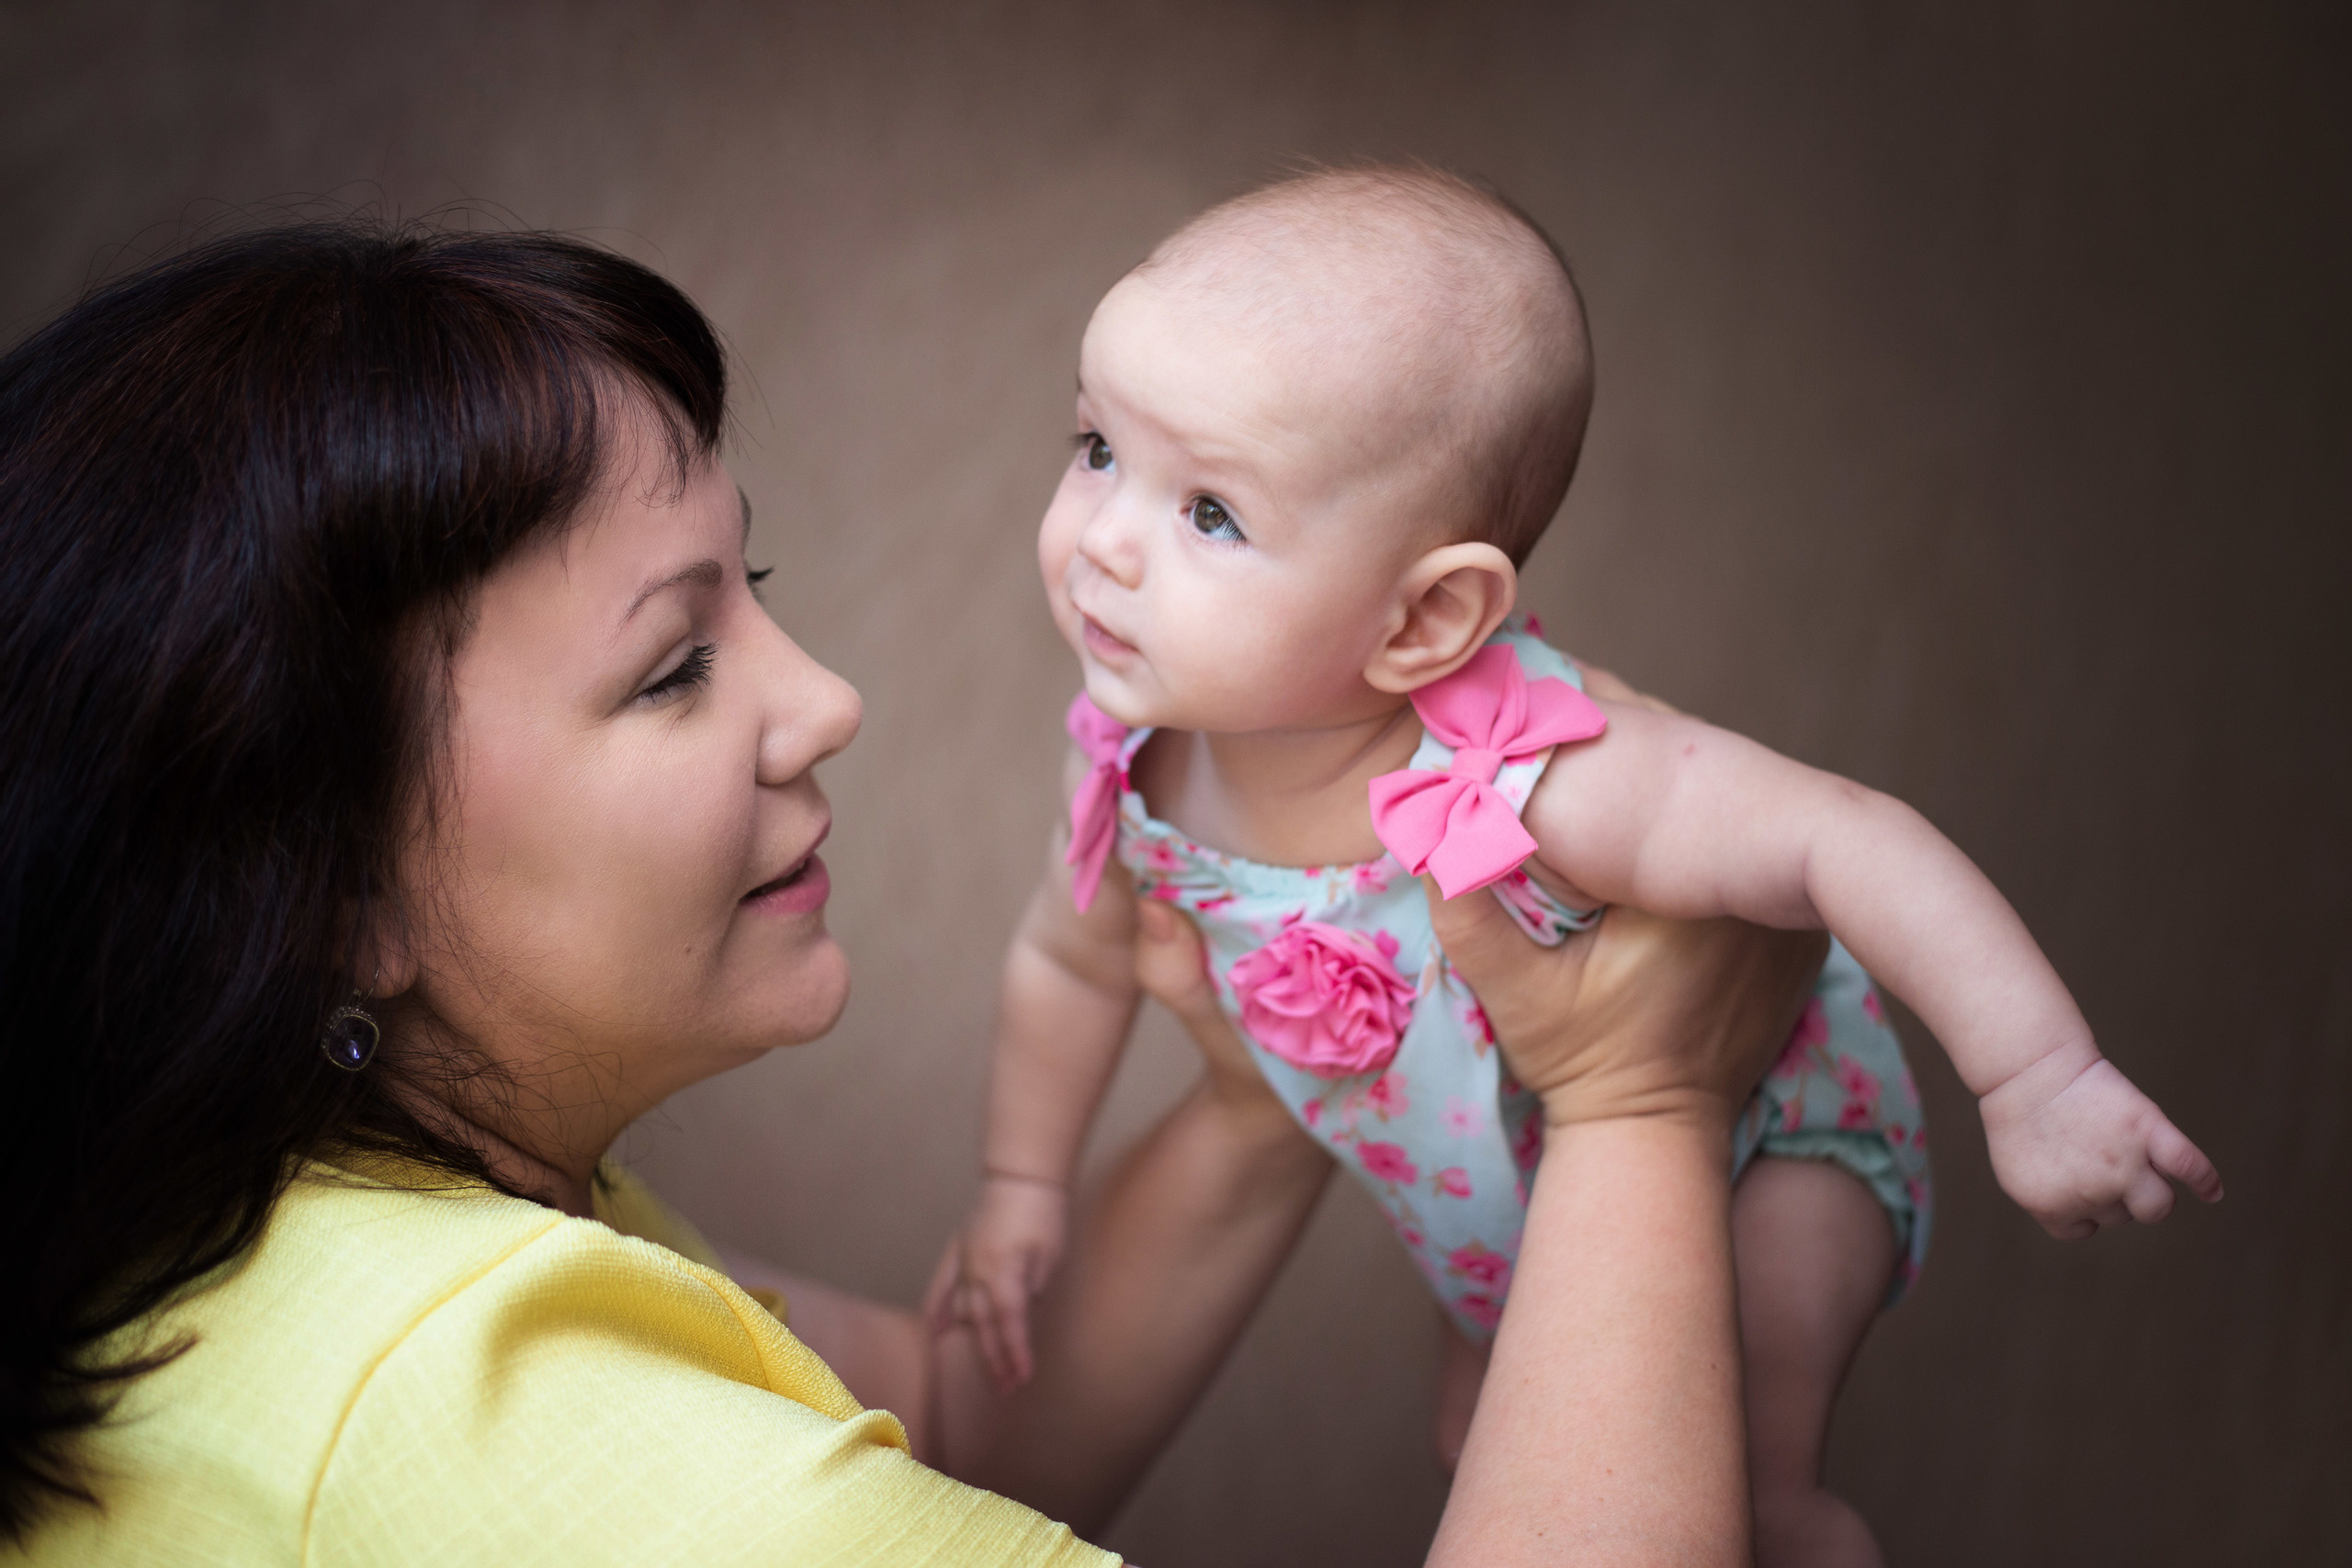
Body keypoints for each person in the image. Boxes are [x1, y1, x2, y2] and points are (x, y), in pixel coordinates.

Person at [2, 217, 1826, 1566]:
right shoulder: (490, 1432)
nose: (824, 699)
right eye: (667, 667)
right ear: (318, 880)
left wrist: (1266, 1074)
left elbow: (932, 1426)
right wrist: (1637, 1102)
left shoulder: (307, 1227)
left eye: (756, 588)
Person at [932, 164, 2225, 1565]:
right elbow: (1066, 962)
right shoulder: (1131, 770)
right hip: (1508, 1188)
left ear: (1428, 620)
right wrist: (1022, 1182)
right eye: (1097, 449)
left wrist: (2034, 1075)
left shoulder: (1532, 772)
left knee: (1746, 1489)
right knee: (1503, 1454)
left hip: (1774, 1136)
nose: (1102, 544)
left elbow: (1838, 832)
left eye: (1211, 516)